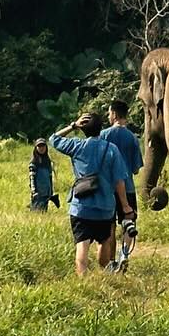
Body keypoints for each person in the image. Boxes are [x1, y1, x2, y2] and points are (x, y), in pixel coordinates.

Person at [50, 111, 133, 277]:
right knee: (104, 242)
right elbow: (119, 181)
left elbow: (53, 139)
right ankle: (105, 271)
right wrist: (125, 205)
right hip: (105, 207)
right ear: (101, 128)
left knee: (82, 245)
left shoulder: (77, 145)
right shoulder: (111, 149)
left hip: (81, 207)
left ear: (83, 129)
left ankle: (83, 281)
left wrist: (73, 125)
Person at [101, 97, 144, 263]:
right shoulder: (132, 138)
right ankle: (124, 255)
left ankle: (111, 260)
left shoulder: (104, 135)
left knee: (109, 224)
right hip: (128, 187)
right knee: (128, 222)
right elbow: (135, 169)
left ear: (113, 114)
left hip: (107, 189)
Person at [28, 138, 59, 212]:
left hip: (46, 193)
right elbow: (32, 178)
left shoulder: (48, 162)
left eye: (43, 146)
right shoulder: (34, 162)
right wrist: (33, 191)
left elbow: (50, 177)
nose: (41, 148)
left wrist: (51, 191)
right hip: (37, 193)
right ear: (36, 148)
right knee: (36, 212)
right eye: (39, 146)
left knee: (44, 212)